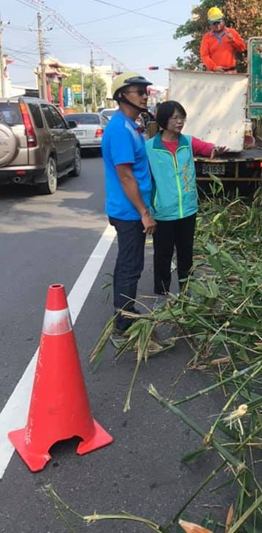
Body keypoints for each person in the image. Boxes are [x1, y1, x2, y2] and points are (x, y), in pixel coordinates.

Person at [146, 100, 227, 300]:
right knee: (163, 256)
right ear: (163, 120)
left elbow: (207, 148)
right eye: (175, 118)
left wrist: (215, 149)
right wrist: (147, 211)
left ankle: (186, 291)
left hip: (188, 210)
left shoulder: (188, 142)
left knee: (186, 254)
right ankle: (162, 295)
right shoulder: (149, 148)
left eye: (182, 117)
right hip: (163, 212)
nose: (180, 122)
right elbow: (143, 180)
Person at [101, 71, 156, 345]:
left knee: (128, 263)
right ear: (122, 96)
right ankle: (123, 324)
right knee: (130, 266)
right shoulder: (121, 130)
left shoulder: (131, 126)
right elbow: (125, 176)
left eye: (146, 92)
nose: (145, 96)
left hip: (131, 209)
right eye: (139, 92)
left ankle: (126, 313)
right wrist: (144, 212)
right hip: (129, 211)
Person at [199, 7, 246, 72]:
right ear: (210, 24)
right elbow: (204, 56)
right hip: (213, 74)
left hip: (230, 73)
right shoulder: (206, 37)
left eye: (219, 22)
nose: (217, 25)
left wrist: (233, 41)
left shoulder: (232, 32)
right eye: (214, 23)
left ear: (223, 20)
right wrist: (214, 67)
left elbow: (242, 48)